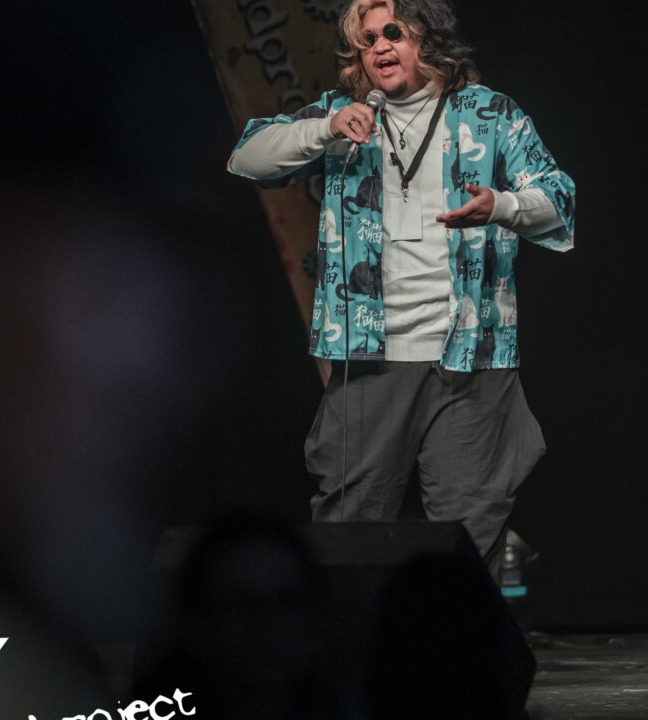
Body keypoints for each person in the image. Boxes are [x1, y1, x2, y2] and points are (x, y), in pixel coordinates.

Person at [227, 0, 576, 575]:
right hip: (370, 359)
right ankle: (351, 636)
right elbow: (246, 157)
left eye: (392, 31)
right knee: (348, 533)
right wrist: (324, 129)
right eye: (366, 39)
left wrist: (501, 205)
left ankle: (462, 636)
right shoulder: (344, 114)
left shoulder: (490, 113)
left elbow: (558, 198)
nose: (379, 46)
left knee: (470, 539)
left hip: (472, 358)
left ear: (426, 34)